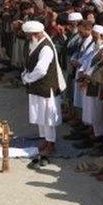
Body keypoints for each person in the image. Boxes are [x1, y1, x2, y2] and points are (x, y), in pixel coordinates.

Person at [19, 20, 65, 160]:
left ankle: (51, 144)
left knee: (48, 118)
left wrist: (27, 78)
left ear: (35, 34)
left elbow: (41, 70)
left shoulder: (46, 48)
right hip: (38, 87)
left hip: (46, 88)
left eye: (29, 36)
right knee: (41, 116)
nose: (28, 38)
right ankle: (45, 140)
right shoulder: (36, 43)